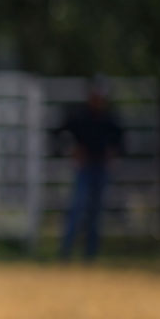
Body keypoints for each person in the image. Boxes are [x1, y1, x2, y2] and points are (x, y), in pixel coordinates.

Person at [55, 76, 124, 261]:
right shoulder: (80, 116)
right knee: (77, 208)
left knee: (95, 211)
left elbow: (121, 142)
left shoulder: (110, 118)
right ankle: (66, 251)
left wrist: (112, 154)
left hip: (101, 167)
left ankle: (90, 254)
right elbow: (60, 134)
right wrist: (71, 149)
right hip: (84, 168)